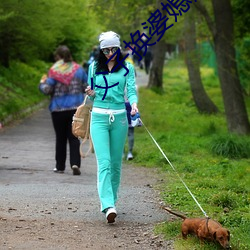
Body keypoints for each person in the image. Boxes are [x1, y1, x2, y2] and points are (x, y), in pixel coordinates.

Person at [85, 31, 138, 223]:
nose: (109, 53)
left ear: (118, 48)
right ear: (101, 50)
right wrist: (90, 92)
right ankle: (107, 205)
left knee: (116, 164)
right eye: (105, 50)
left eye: (113, 49)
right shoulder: (93, 67)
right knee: (104, 162)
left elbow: (131, 90)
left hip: (120, 118)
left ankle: (112, 201)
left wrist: (133, 104)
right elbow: (91, 96)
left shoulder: (127, 68)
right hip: (98, 117)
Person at [39, 45, 88, 175]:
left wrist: (42, 83)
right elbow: (86, 86)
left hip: (58, 109)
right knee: (74, 137)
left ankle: (60, 166)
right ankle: (75, 163)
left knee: (60, 138)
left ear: (58, 57)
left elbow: (47, 90)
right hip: (75, 109)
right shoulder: (79, 70)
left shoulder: (54, 71)